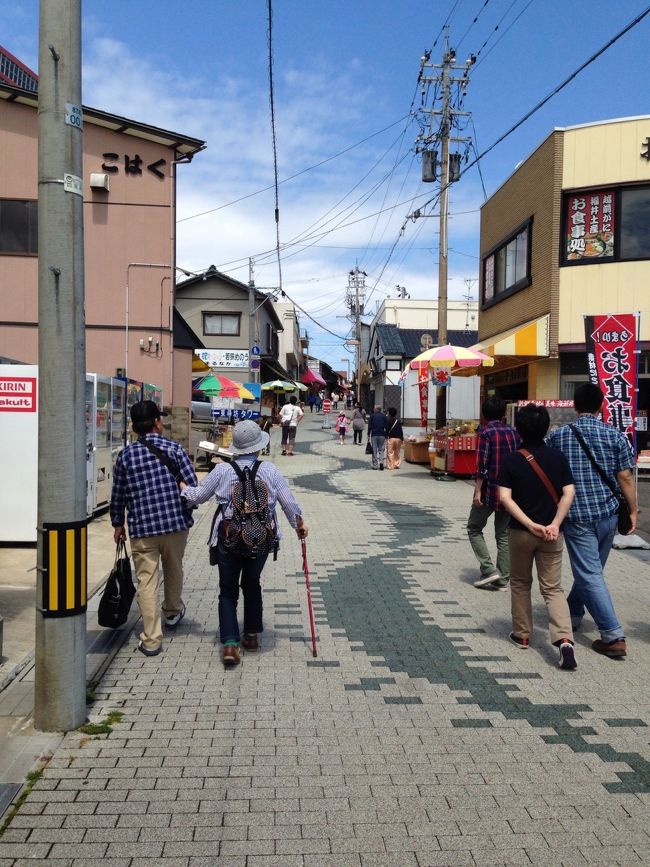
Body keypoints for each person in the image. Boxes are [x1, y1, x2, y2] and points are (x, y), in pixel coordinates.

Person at [180, 420, 308, 666]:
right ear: (258, 447)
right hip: (261, 538)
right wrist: (298, 525)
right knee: (252, 584)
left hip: (228, 538)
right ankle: (250, 636)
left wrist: (184, 489)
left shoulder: (222, 471)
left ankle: (229, 644)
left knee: (227, 590)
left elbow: (199, 496)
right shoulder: (270, 471)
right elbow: (288, 502)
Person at [548, 383, 638, 659]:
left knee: (589, 572)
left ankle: (612, 635)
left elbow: (552, 476)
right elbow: (625, 477)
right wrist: (633, 511)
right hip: (608, 513)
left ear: (574, 405)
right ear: (601, 406)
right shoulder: (616, 436)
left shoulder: (559, 436)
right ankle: (574, 613)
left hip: (576, 515)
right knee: (592, 570)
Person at [110, 400, 197, 657]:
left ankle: (151, 639)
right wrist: (186, 508)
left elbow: (118, 495)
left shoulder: (125, 456)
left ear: (135, 427)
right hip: (174, 525)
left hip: (142, 528)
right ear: (158, 423)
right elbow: (192, 486)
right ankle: (171, 612)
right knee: (174, 568)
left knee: (146, 581)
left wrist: (118, 523)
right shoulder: (174, 449)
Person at [498, 404, 577, 669]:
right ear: (546, 427)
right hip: (552, 534)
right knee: (553, 588)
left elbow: (504, 498)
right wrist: (554, 523)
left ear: (518, 429)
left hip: (521, 532)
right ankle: (564, 639)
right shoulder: (558, 457)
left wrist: (530, 524)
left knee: (520, 583)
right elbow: (568, 493)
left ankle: (521, 635)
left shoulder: (511, 459)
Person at [468, 396, 521, 591]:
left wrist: (477, 492)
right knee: (503, 534)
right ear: (503, 413)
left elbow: (482, 466)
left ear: (484, 414)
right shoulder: (514, 432)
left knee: (474, 527)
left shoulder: (486, 433)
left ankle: (489, 570)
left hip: (490, 490)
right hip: (510, 491)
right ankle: (503, 578)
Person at [367, 404, 389, 470]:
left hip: (374, 434)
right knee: (381, 449)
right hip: (382, 434)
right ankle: (381, 462)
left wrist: (368, 434)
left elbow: (369, 426)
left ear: (377, 409)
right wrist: (386, 434)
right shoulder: (384, 416)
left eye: (374, 408)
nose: (373, 409)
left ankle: (375, 465)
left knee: (374, 450)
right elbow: (386, 426)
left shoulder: (372, 416)